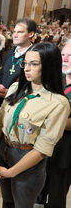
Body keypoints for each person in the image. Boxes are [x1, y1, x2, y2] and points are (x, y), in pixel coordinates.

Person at [0, 42, 70, 208]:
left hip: (28, 161)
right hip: (4, 152)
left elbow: (42, 149)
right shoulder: (16, 89)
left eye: (34, 64)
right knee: (7, 201)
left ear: (48, 66)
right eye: (25, 63)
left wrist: (11, 172)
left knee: (22, 204)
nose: (26, 68)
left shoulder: (57, 103)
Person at [38, 43, 71, 208]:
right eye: (63, 55)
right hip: (44, 145)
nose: (65, 59)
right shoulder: (57, 79)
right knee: (40, 187)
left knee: (57, 194)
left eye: (70, 56)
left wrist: (44, 118)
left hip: (64, 150)